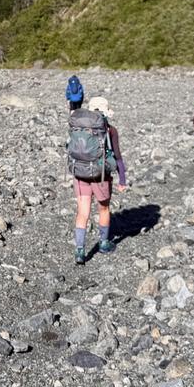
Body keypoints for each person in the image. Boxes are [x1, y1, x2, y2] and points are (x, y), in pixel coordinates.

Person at [68, 96, 128, 263]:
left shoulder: (78, 127)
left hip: (79, 173)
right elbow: (118, 158)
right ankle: (103, 243)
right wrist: (122, 180)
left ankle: (80, 252)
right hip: (101, 176)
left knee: (82, 212)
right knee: (103, 209)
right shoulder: (110, 130)